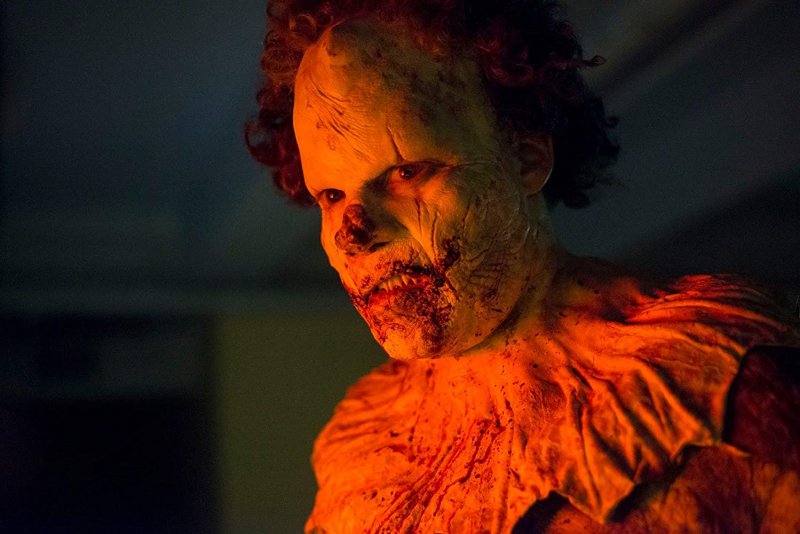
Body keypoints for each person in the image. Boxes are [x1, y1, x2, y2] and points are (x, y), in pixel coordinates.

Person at [246, 1, 800, 532]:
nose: (354, 236)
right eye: (331, 196)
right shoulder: (358, 444)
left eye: (406, 173)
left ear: (527, 158)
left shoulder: (713, 373)